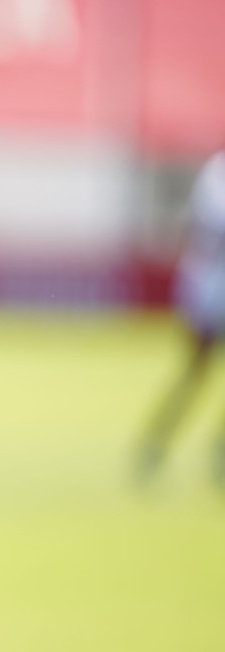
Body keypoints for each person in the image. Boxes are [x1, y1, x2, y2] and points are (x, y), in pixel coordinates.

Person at [136, 148, 225, 485]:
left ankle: (216, 450)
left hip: (211, 286)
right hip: (211, 291)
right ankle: (157, 441)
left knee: (196, 376)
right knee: (195, 375)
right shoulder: (216, 176)